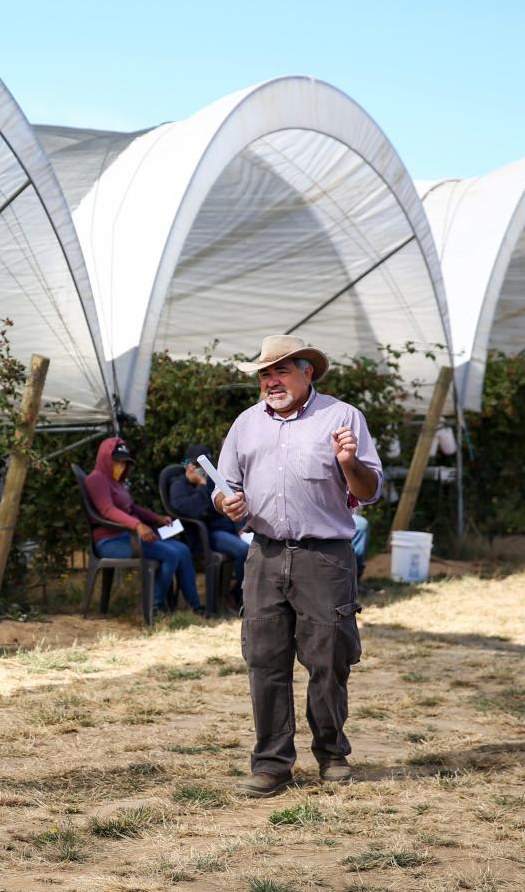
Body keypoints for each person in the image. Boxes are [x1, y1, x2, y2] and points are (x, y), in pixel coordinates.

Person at [214, 335, 382, 798]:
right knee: (264, 660)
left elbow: (368, 491)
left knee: (328, 658)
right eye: (266, 374)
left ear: (308, 372)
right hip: (264, 555)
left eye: (282, 371)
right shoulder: (246, 424)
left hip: (324, 558)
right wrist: (225, 502)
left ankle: (332, 755)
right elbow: (224, 486)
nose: (272, 381)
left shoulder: (342, 418)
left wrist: (349, 462)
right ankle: (271, 765)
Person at [84, 437, 204, 615]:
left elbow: (131, 507)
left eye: (124, 463)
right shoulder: (96, 479)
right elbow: (107, 510)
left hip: (128, 536)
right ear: (104, 458)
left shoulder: (116, 482)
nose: (121, 466)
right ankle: (154, 606)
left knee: (182, 549)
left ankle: (195, 606)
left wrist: (157, 518)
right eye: (116, 461)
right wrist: (138, 525)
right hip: (110, 542)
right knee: (171, 554)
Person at [169, 443, 248, 610]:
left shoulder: (212, 482)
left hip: (227, 529)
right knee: (244, 551)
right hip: (206, 535)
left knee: (256, 547)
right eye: (198, 466)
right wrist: (201, 486)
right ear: (187, 465)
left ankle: (235, 594)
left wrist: (240, 526)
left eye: (206, 466)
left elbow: (227, 504)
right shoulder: (179, 485)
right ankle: (238, 597)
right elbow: (193, 510)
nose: (202, 470)